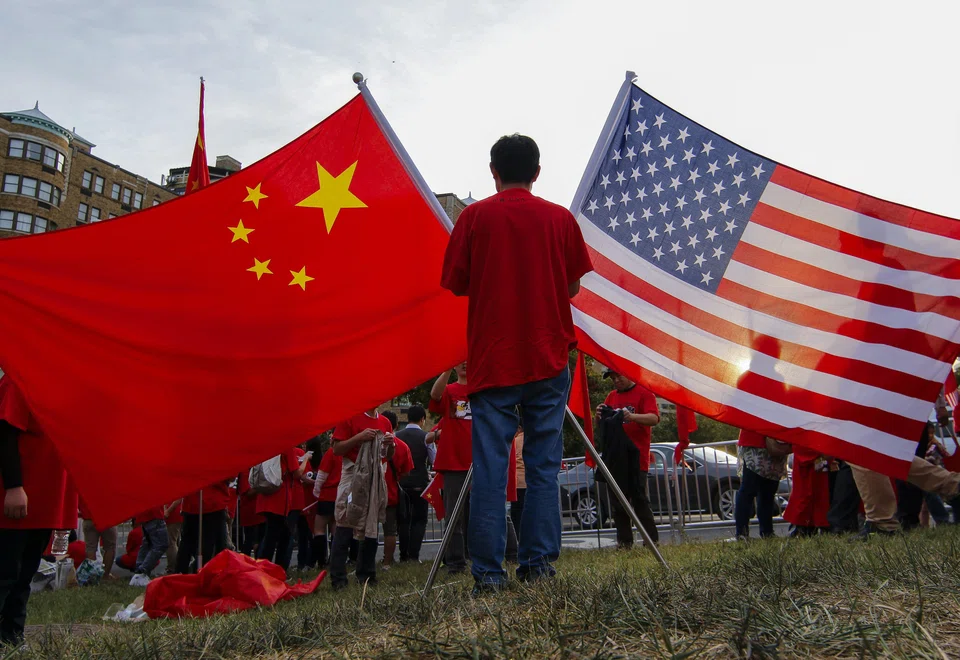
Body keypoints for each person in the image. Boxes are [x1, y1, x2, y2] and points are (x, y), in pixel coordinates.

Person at [441, 133, 593, 592]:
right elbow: (572, 288)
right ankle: (538, 566)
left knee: (490, 467)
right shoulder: (560, 219)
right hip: (548, 355)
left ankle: (489, 574)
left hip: (493, 358)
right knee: (543, 465)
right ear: (537, 172)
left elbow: (457, 283)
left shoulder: (473, 218)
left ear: (493, 171)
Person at [0, 376, 78, 646]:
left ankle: (11, 639)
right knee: (6, 575)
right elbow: (5, 433)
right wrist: (14, 486)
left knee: (24, 577)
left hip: (43, 503)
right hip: (18, 500)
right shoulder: (19, 382)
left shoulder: (58, 386)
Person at [328, 409, 394, 590]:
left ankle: (366, 575)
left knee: (371, 525)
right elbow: (337, 449)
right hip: (353, 473)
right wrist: (359, 437)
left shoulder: (385, 422)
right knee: (345, 522)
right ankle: (338, 578)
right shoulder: (349, 418)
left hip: (374, 475)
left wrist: (390, 445)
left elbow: (387, 456)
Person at [596, 368, 660, 548]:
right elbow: (602, 426)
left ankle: (651, 542)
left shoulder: (644, 393)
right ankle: (624, 543)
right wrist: (599, 416)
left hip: (637, 457)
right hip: (616, 458)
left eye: (619, 376)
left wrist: (631, 416)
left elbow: (654, 418)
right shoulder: (611, 396)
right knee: (618, 502)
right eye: (613, 378)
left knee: (639, 500)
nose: (616, 380)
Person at [428, 364, 474, 575]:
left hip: (479, 461)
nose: (464, 363)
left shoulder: (481, 388)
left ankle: (478, 557)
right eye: (459, 360)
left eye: (467, 359)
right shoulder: (449, 390)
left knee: (480, 513)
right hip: (453, 463)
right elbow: (435, 396)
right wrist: (445, 368)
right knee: (454, 515)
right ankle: (456, 563)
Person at [256, 445, 309, 572]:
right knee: (279, 537)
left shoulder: (266, 445)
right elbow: (297, 473)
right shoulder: (287, 447)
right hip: (279, 499)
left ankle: (267, 569)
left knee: (273, 535)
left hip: (265, 496)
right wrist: (306, 458)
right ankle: (271, 570)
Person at [734, 430, 790, 539]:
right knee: (748, 490)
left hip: (776, 443)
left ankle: (766, 531)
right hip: (755, 443)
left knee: (768, 492)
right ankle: (742, 533)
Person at [396, 405, 433, 562]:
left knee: (403, 520)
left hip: (401, 483)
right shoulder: (426, 437)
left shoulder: (397, 436)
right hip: (420, 482)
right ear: (422, 419)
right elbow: (433, 459)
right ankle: (414, 555)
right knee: (419, 520)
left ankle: (403, 554)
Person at [176, 480, 230, 574]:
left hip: (192, 503)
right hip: (212, 503)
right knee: (209, 543)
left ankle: (181, 572)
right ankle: (199, 573)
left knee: (187, 543)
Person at [382, 429, 413, 570]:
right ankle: (387, 562)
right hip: (390, 492)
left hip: (371, 492)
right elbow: (407, 471)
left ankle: (364, 561)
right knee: (390, 530)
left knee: (366, 529)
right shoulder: (402, 446)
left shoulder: (370, 442)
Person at [783, 447, 831, 536]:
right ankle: (803, 527)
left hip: (817, 465)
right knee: (804, 497)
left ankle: (810, 526)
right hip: (806, 466)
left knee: (816, 497)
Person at [311, 446, 342, 568]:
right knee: (335, 527)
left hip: (327, 494)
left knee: (319, 529)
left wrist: (316, 492)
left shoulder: (331, 452)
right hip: (340, 494)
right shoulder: (347, 452)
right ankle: (334, 559)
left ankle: (321, 561)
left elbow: (322, 475)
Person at [79, 496, 117, 581]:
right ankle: (105, 575)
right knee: (110, 547)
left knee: (90, 548)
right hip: (107, 517)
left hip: (88, 518)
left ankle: (92, 576)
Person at [130, 504, 169, 584]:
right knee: (161, 544)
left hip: (145, 513)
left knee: (147, 544)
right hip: (154, 513)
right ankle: (142, 571)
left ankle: (139, 574)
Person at [237, 470, 264, 557]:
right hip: (250, 513)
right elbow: (248, 492)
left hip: (260, 512)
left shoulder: (255, 470)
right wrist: (263, 485)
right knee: (249, 541)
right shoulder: (245, 472)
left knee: (260, 540)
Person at [163, 499, 183, 574]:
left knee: (171, 543)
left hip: (172, 515)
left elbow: (178, 499)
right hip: (175, 514)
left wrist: (168, 511)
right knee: (175, 542)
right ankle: (177, 566)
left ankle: (172, 568)